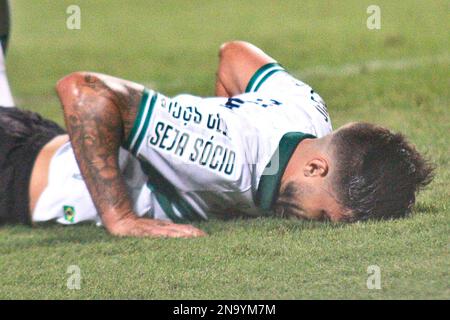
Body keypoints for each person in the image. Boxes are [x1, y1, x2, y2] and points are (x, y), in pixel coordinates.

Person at [0, 41, 434, 238]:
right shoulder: (222, 157)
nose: (309, 227)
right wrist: (121, 218)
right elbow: (82, 91)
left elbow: (235, 54)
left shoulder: (310, 111)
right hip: (14, 177)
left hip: (33, 141)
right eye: (321, 218)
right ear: (316, 167)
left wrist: (221, 114)